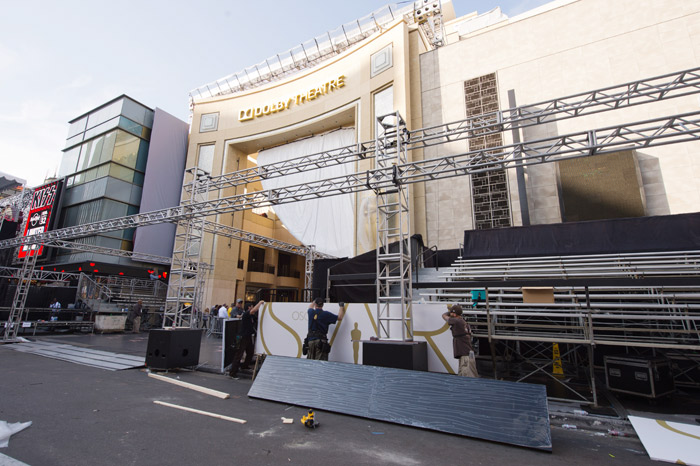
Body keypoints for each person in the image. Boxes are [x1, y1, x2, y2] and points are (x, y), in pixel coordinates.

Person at [229, 300, 264, 379]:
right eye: (251, 306)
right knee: (239, 354)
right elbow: (254, 310)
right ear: (249, 307)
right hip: (242, 337)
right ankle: (232, 373)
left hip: (248, 336)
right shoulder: (246, 314)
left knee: (250, 352)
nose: (253, 307)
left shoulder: (251, 316)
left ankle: (245, 366)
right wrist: (260, 303)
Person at [442, 304, 478, 377]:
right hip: (466, 353)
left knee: (467, 377)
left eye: (452, 313)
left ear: (454, 314)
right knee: (463, 375)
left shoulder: (457, 321)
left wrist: (449, 312)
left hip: (465, 355)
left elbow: (444, 316)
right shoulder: (462, 321)